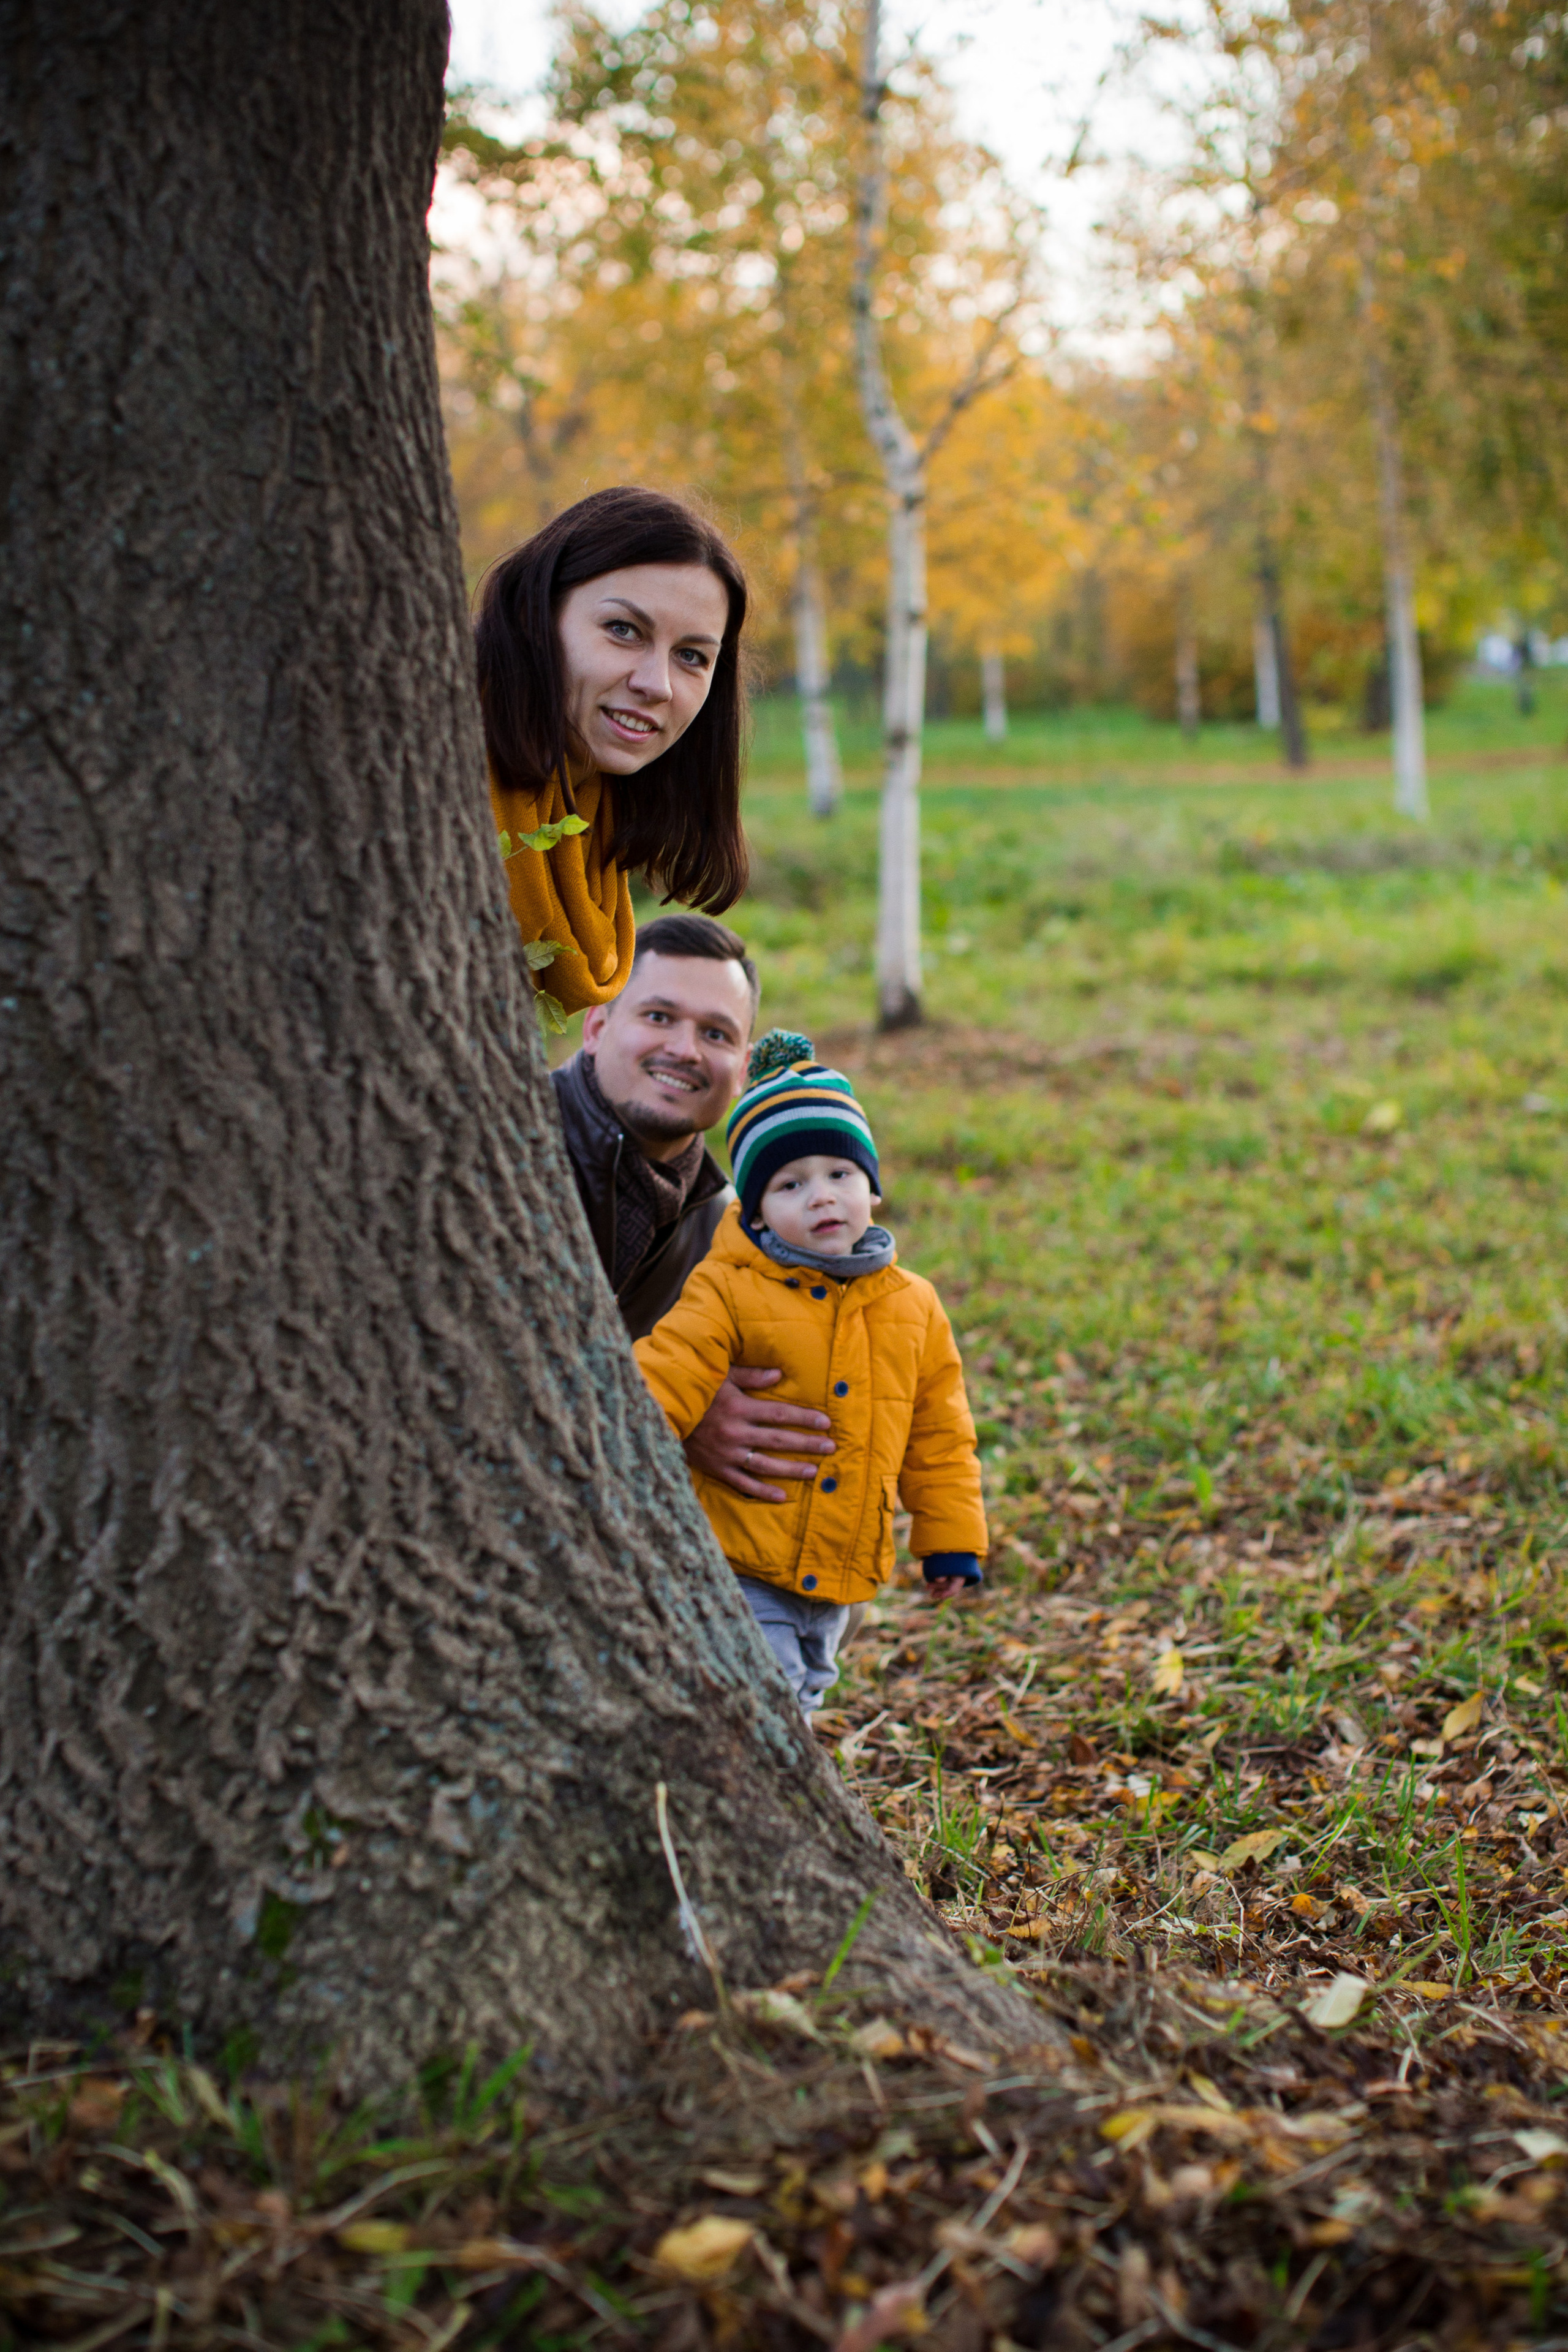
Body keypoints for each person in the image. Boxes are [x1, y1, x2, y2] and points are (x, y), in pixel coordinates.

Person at [634, 1033, 987, 1714]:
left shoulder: (913, 1305)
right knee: (769, 1702)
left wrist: (949, 1542)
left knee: (806, 1692)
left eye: (839, 1175)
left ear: (872, 1190)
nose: (821, 1197)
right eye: (791, 1184)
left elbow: (940, 1435)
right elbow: (668, 1372)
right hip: (740, 1559)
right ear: (756, 1210)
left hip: (841, 1572)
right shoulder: (728, 1287)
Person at [474, 486, 750, 1015]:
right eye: (623, 630)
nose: (657, 684)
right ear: (536, 615)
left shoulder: (591, 808)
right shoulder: (442, 778)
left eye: (691, 656)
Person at [553, 912, 755, 1341]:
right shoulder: (505, 1143)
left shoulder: (731, 1235)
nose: (685, 1050)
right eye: (659, 1017)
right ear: (596, 1028)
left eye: (716, 1034)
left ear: (742, 1071)